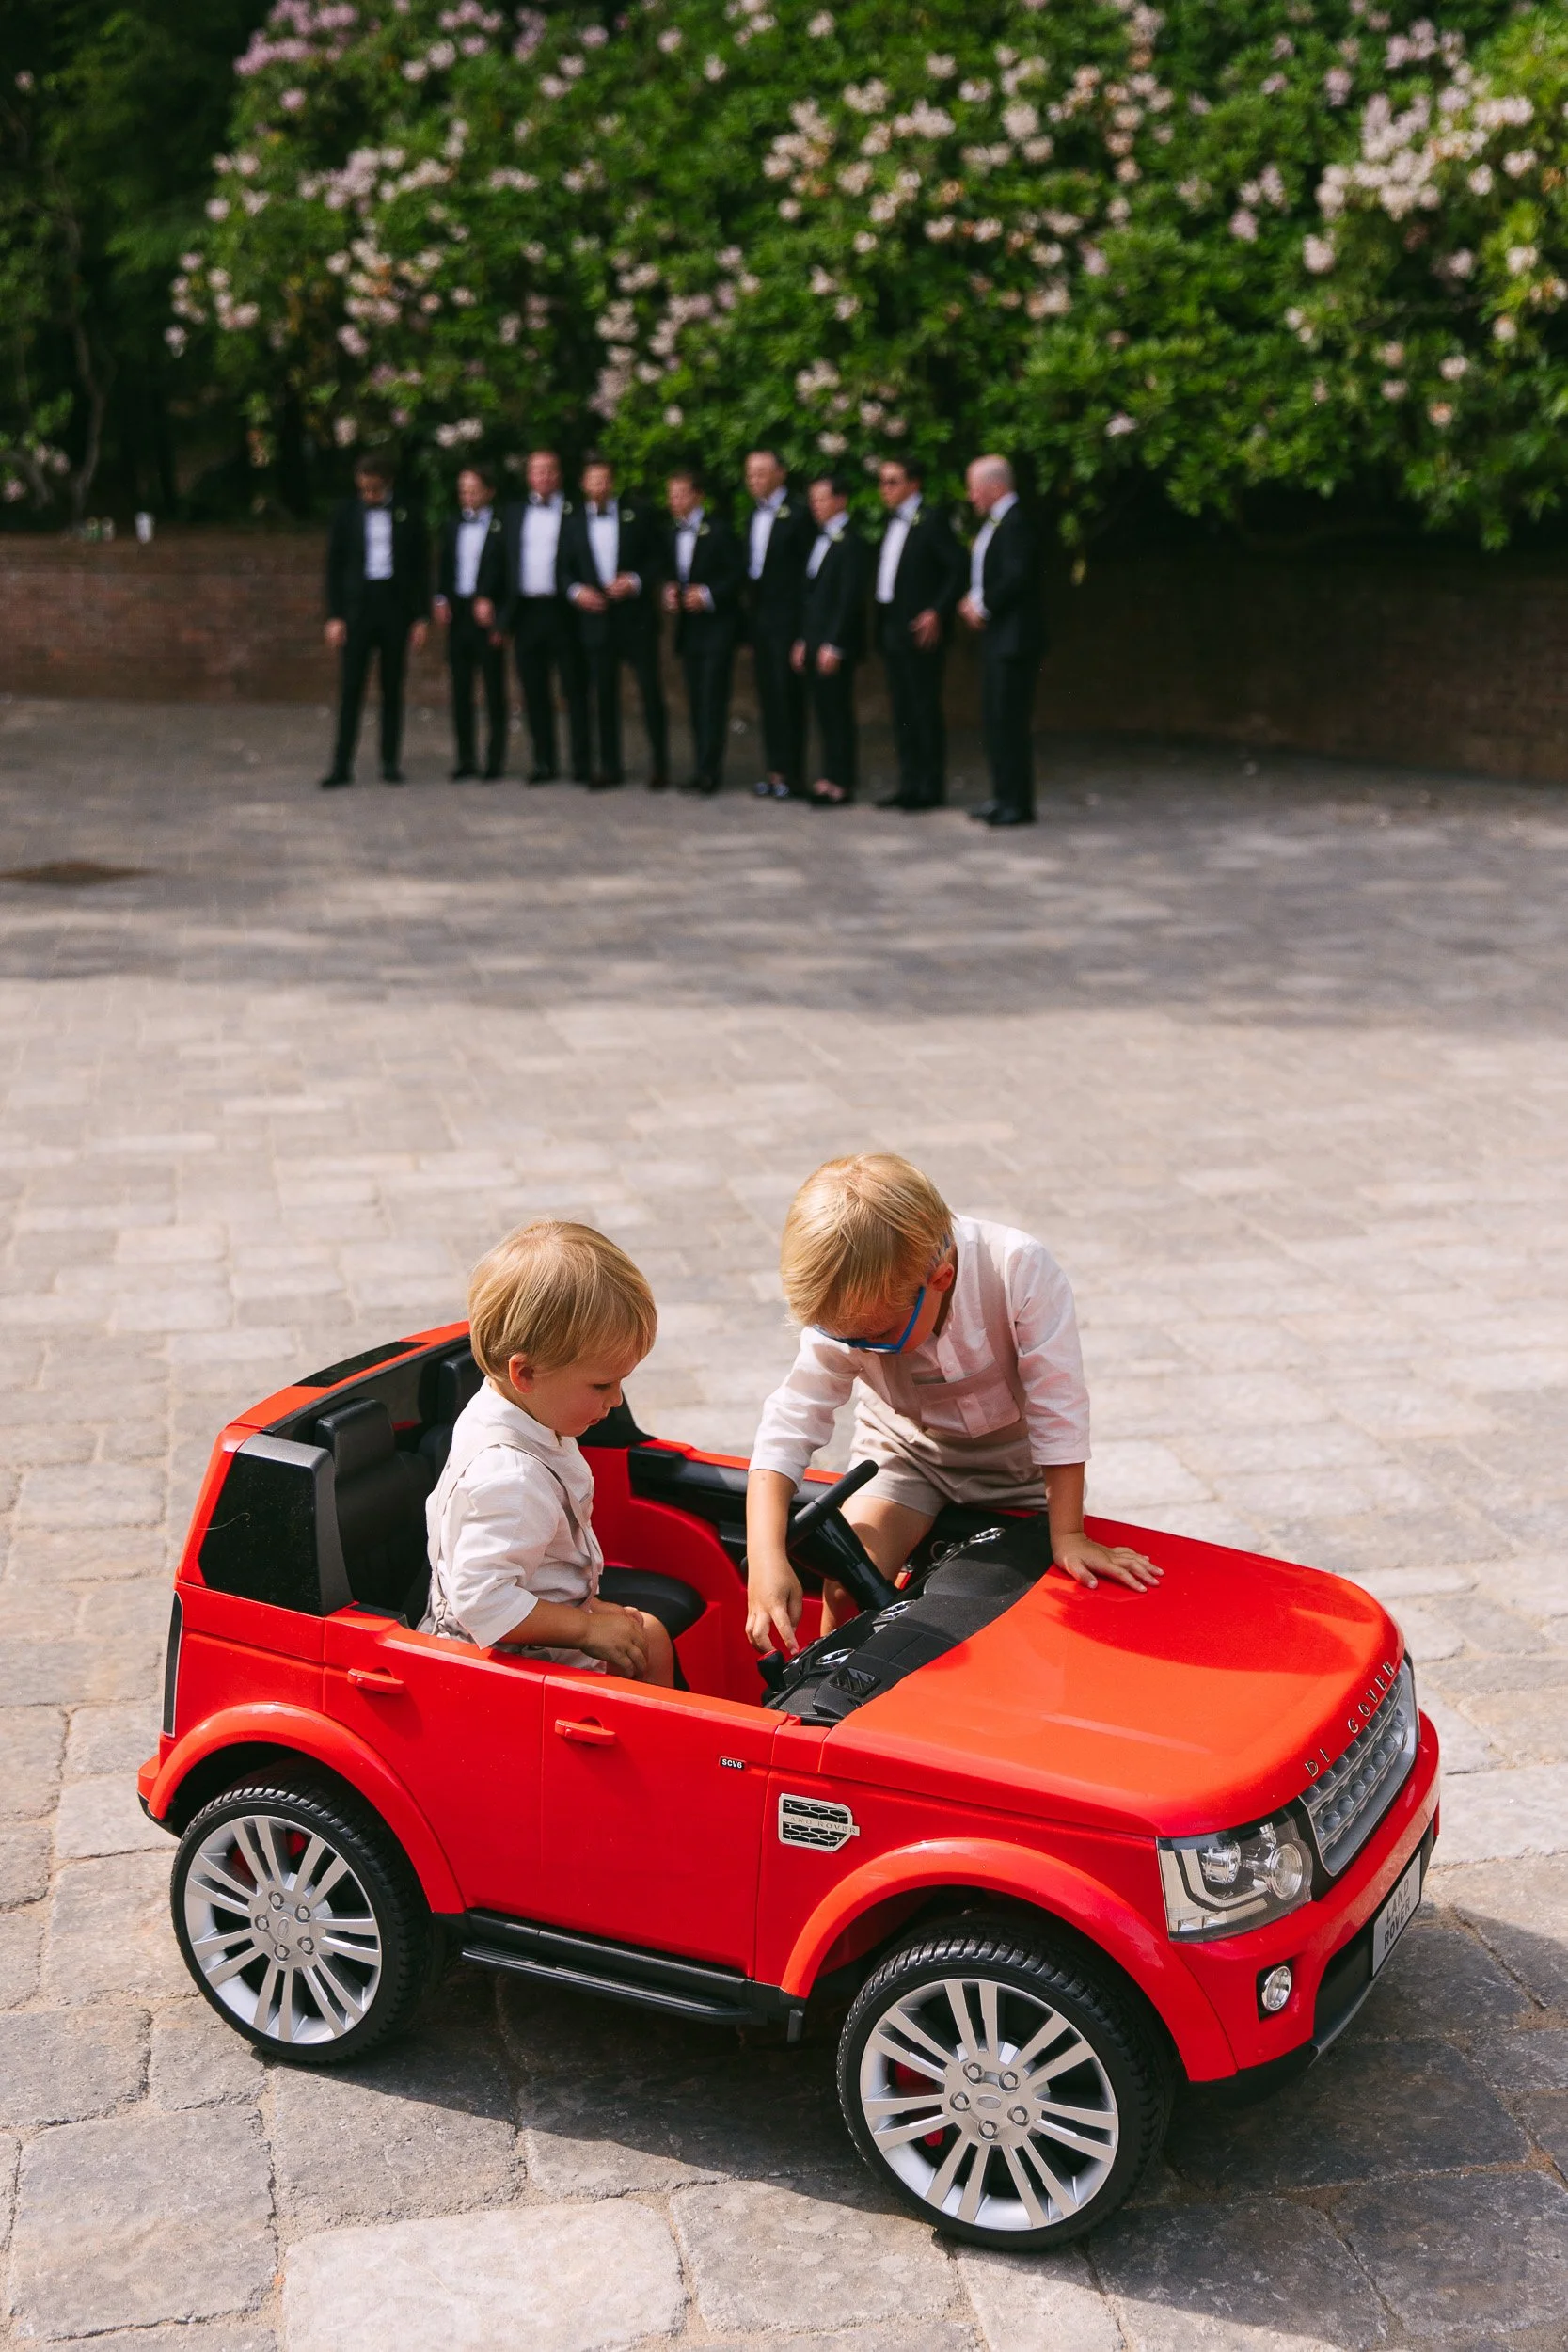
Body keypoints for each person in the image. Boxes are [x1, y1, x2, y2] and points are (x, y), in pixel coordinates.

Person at [743, 1153, 1160, 1655]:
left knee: (1035, 1612)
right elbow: (790, 1422)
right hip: (908, 1452)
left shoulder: (1017, 1267)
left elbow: (1059, 1404)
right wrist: (766, 1555)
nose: (859, 1347)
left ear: (937, 1280)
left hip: (1020, 1467)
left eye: (875, 1337)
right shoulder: (857, 1312)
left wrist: (1068, 1533)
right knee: (847, 1581)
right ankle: (827, 1700)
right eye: (845, 1338)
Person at [421, 1218, 674, 1683]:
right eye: (602, 1384)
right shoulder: (510, 1478)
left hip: (538, 1622)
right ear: (526, 1373)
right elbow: (482, 1602)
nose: (615, 1400)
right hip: (504, 1664)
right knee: (646, 1642)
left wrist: (588, 1610)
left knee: (648, 1636)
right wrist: (584, 1628)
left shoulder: (514, 1406)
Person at [320, 450, 430, 789]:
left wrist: (421, 617)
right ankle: (341, 765)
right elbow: (333, 567)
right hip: (357, 611)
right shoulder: (346, 514)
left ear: (389, 484)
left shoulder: (409, 514)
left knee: (392, 688)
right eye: (363, 489)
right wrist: (334, 615)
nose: (368, 495)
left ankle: (389, 762)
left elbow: (421, 568)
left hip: (394, 609)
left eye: (374, 489)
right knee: (351, 688)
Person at [559, 454, 670, 791]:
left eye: (604, 479)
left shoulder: (638, 514)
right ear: (583, 484)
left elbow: (659, 559)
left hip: (635, 620)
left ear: (613, 481)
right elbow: (563, 569)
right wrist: (577, 593)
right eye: (593, 480)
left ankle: (661, 765)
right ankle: (609, 766)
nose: (599, 486)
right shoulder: (572, 521)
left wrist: (634, 581)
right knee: (603, 695)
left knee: (650, 691)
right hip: (596, 619)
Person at [871, 456, 967, 812]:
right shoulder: (890, 521)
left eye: (892, 482)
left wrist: (936, 610)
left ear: (914, 484)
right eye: (882, 482)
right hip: (892, 624)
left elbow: (957, 568)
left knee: (923, 706)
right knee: (902, 709)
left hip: (919, 628)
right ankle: (908, 782)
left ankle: (930, 786)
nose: (885, 489)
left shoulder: (931, 520)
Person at [958, 454, 1046, 829]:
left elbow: (1016, 577)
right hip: (998, 638)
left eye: (974, 487)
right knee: (995, 720)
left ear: (995, 486)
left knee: (1010, 721)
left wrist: (983, 605)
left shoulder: (1016, 522)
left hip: (1014, 640)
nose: (970, 495)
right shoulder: (996, 523)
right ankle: (1002, 796)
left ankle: (1017, 803)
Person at [497, 448, 590, 786]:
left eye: (550, 470)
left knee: (574, 688)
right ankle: (543, 762)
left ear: (560, 474)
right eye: (537, 471)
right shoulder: (514, 512)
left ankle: (581, 762)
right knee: (534, 690)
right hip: (527, 611)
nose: (544, 476)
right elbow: (502, 561)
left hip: (564, 610)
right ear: (528, 476)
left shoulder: (576, 511)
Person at [662, 465, 745, 796]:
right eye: (672, 495)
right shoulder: (671, 533)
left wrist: (708, 594)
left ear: (699, 497)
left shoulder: (720, 531)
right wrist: (670, 590)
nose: (676, 501)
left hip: (717, 627)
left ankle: (711, 770)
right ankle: (699, 766)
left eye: (682, 494)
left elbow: (737, 574)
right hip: (689, 628)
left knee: (713, 698)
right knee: (695, 700)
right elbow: (670, 572)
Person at [792, 474, 870, 808]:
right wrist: (803, 640)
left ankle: (842, 780)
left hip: (833, 644)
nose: (815, 507)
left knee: (837, 711)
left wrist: (834, 644)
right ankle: (827, 775)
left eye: (822, 500)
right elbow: (812, 598)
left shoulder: (851, 542)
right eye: (813, 500)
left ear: (841, 500)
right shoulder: (820, 538)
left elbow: (848, 600)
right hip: (814, 640)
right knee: (823, 710)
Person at [742, 449, 814, 800]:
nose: (754, 479)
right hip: (762, 619)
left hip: (789, 620)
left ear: (780, 474)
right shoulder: (751, 515)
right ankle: (774, 771)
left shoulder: (798, 515)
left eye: (761, 472)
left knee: (789, 697)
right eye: (750, 473)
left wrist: (803, 630)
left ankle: (793, 773)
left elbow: (805, 576)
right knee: (768, 695)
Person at [432, 462, 507, 782]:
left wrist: (499, 614)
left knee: (493, 689)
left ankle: (495, 760)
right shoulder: (451, 524)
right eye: (463, 490)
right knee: (460, 689)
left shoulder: (503, 526)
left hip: (487, 615)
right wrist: (440, 598)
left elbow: (510, 574)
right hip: (460, 613)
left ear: (489, 492)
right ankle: (466, 758)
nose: (467, 496)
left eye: (473, 490)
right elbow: (444, 565)